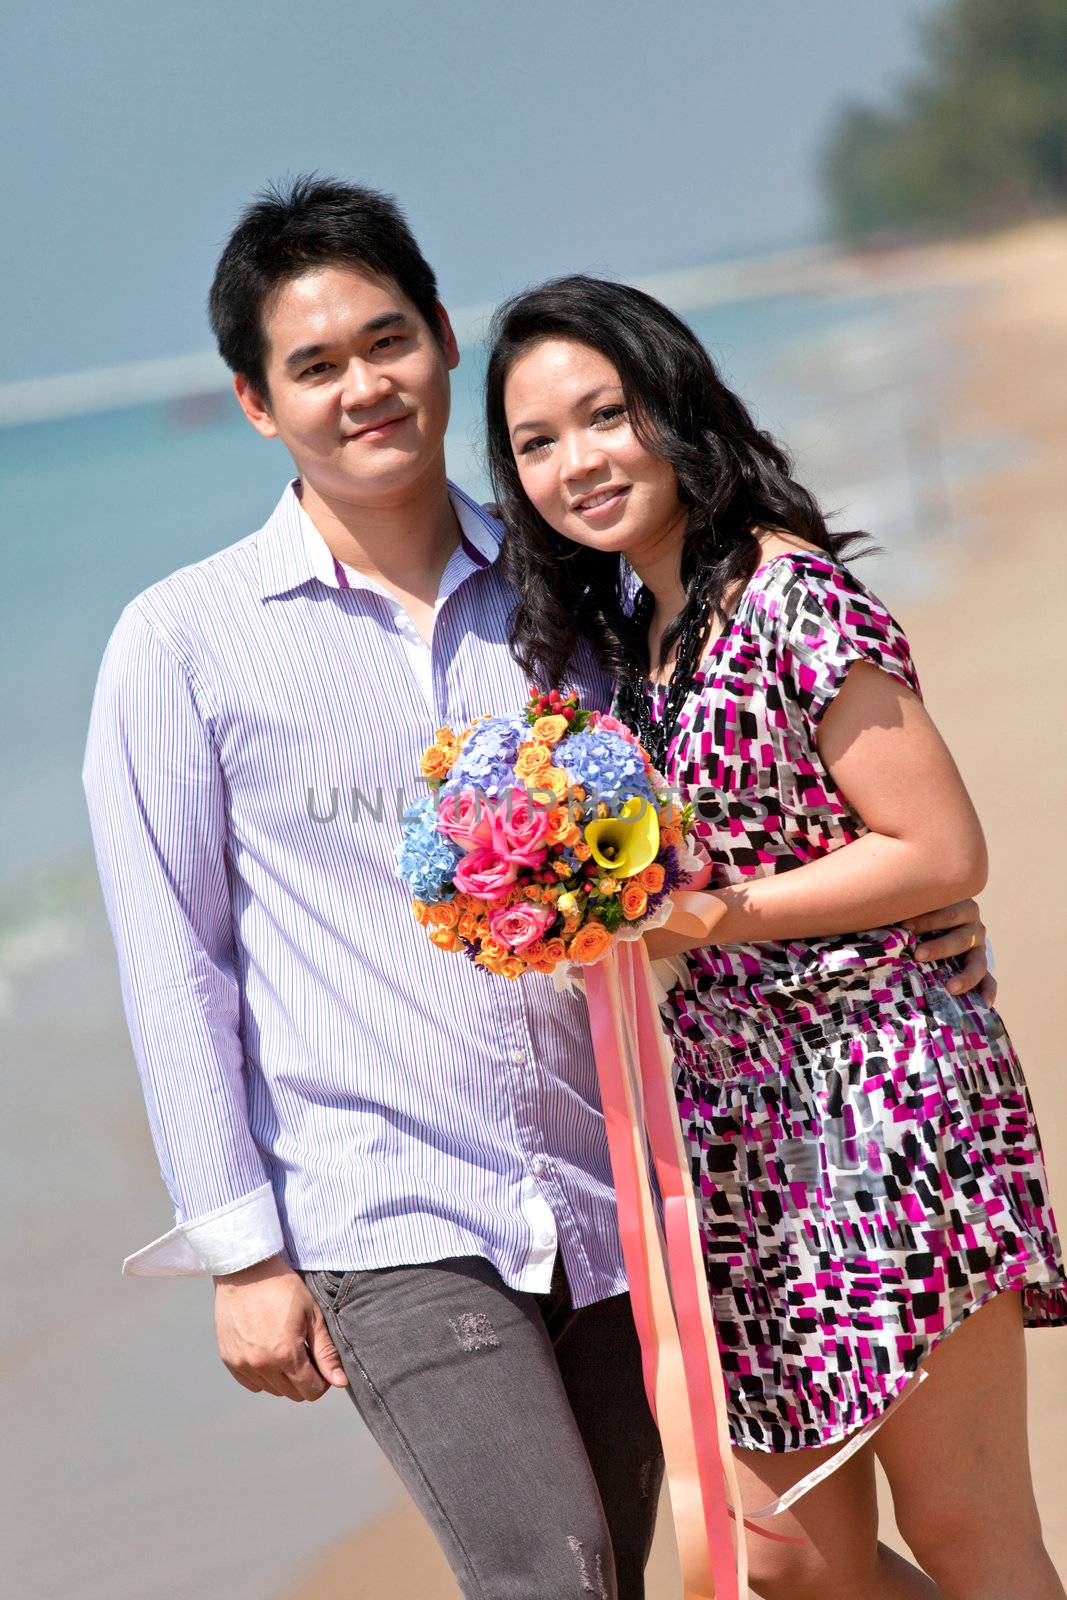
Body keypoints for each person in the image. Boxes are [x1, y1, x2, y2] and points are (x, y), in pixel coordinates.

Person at [83, 180, 991, 1600]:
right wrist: (241, 1252)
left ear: (444, 340)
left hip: (624, 1186)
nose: (362, 387)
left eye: (387, 342)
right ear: (258, 405)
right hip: (385, 1212)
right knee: (549, 1578)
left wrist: (928, 908)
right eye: (313, 367)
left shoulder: (579, 600)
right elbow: (169, 952)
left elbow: (735, 807)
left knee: (747, 1561)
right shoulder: (183, 643)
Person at [485, 274, 1067, 1600]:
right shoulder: (639, 639)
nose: (578, 461)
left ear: (672, 408)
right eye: (537, 443)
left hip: (885, 1105)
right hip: (740, 1147)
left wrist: (701, 913)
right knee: (786, 1557)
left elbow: (937, 848)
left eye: (605, 415)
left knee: (970, 1529)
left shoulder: (791, 596)